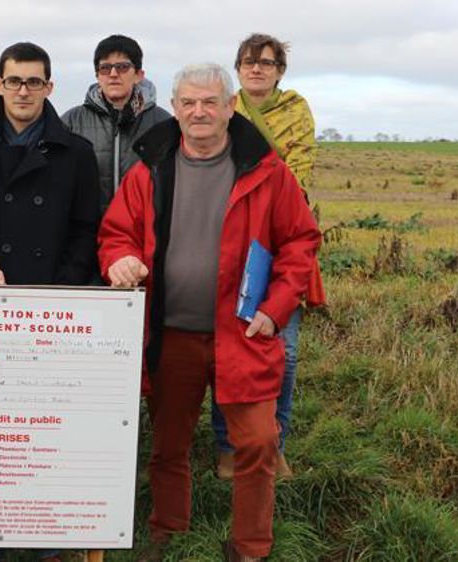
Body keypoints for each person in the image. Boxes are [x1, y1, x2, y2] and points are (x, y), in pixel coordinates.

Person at [98, 64, 320, 562]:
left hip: (244, 333)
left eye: (210, 102)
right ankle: (168, 530)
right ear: (175, 109)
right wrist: (119, 260)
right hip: (171, 332)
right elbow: (116, 233)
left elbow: (300, 242)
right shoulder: (148, 168)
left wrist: (276, 309)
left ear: (229, 107)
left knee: (258, 442)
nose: (199, 112)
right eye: (189, 103)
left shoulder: (267, 171)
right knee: (168, 443)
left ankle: (251, 546)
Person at [0, 42, 100, 562]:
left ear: (50, 87)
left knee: (45, 427)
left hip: (49, 314)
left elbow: (86, 230)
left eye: (34, 82)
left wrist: (58, 290)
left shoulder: (76, 154)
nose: (23, 91)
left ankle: (47, 535)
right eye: (14, 81)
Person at [210, 33, 326, 480]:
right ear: (237, 68)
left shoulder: (297, 111)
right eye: (248, 62)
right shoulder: (223, 107)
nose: (256, 68)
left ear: (280, 70)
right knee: (229, 348)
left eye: (266, 62)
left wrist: (263, 194)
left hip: (280, 238)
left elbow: (297, 175)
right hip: (230, 236)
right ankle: (228, 445)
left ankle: (274, 444)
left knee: (286, 351)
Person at [61, 34, 170, 214]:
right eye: (105, 68)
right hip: (88, 234)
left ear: (139, 75)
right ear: (97, 75)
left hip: (142, 233)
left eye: (122, 67)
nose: (113, 74)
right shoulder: (70, 122)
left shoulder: (163, 123)